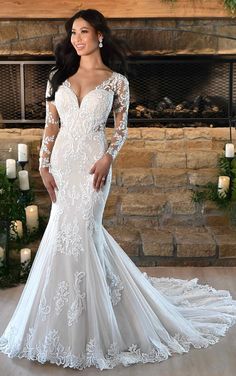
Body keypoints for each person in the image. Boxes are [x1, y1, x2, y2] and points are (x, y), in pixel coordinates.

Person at [0, 8, 236, 371]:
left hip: (94, 166)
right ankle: (60, 326)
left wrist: (109, 158)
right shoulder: (56, 77)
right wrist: (43, 165)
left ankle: (97, 328)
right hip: (62, 164)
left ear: (100, 36)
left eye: (83, 31)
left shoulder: (117, 82)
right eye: (72, 33)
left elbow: (121, 129)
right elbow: (50, 127)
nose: (76, 38)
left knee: (83, 231)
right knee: (65, 234)